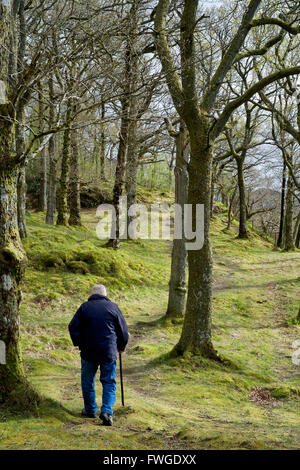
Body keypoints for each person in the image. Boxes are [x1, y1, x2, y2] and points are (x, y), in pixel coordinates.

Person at [68, 284, 129, 426]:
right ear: (105, 294)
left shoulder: (84, 307)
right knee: (108, 381)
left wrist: (78, 343)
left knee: (87, 380)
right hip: (108, 350)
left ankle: (90, 410)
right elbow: (123, 331)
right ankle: (107, 411)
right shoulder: (113, 307)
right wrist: (121, 346)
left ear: (92, 294)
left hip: (88, 351)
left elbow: (72, 326)